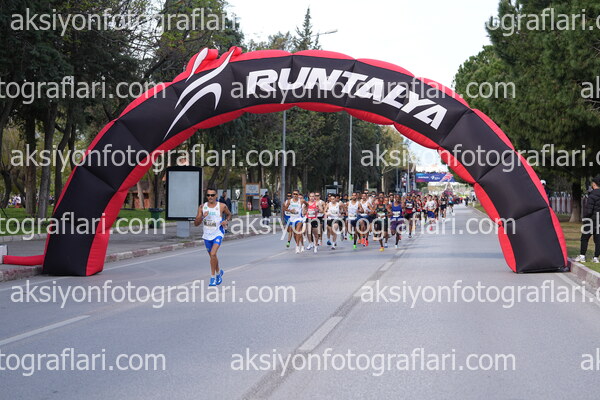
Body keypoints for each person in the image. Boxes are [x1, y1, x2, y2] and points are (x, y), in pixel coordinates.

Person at [195, 188, 231, 286]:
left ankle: (212, 278)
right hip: (207, 235)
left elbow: (229, 215)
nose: (210, 197)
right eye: (208, 195)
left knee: (213, 253)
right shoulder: (202, 207)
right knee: (212, 256)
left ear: (216, 196)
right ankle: (219, 273)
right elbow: (196, 224)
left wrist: (226, 221)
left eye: (212, 195)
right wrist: (202, 216)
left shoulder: (222, 206)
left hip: (218, 233)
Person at [575, 176, 600, 263]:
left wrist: (585, 219)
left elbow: (589, 211)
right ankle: (596, 258)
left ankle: (582, 256)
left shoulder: (592, 195)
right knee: (598, 240)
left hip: (591, 220)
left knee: (584, 238)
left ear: (594, 184)